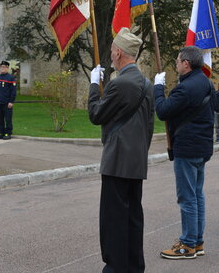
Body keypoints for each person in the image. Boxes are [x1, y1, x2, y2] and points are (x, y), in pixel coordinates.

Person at [88, 27, 154, 273]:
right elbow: (148, 126)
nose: (111, 54)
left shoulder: (120, 83)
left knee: (113, 219)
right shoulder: (146, 83)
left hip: (117, 161)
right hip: (136, 161)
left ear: (119, 52)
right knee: (133, 218)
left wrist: (95, 86)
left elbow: (96, 114)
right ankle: (134, 266)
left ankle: (115, 267)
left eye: (113, 50)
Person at [154, 46, 214, 260]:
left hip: (188, 149)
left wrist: (158, 89)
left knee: (187, 197)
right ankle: (196, 241)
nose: (176, 64)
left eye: (178, 61)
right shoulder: (205, 82)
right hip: (202, 147)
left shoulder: (185, 88)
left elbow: (162, 111)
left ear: (186, 64)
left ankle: (188, 245)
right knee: (197, 195)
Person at [0, 61, 17, 139]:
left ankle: (8, 133)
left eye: (4, 67)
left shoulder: (10, 78)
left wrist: (11, 101)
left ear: (7, 68)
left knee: (8, 119)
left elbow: (13, 91)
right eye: (1, 67)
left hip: (7, 103)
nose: (3, 68)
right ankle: (1, 132)